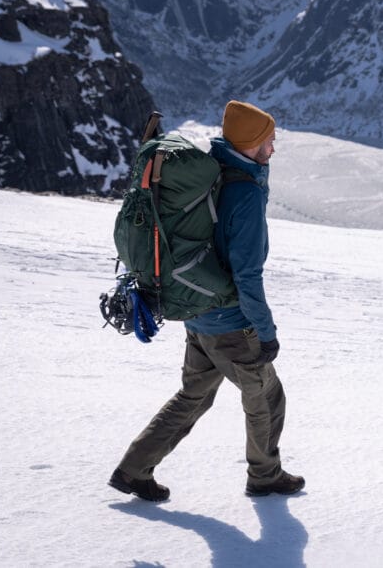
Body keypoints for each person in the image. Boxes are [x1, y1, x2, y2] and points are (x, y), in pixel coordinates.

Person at [109, 100, 304, 501]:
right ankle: (265, 475)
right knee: (266, 395)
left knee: (193, 395)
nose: (273, 149)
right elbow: (247, 274)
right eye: (268, 141)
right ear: (250, 143)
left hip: (197, 312)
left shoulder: (215, 171)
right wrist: (265, 333)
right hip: (230, 321)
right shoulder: (245, 193)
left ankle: (134, 469)